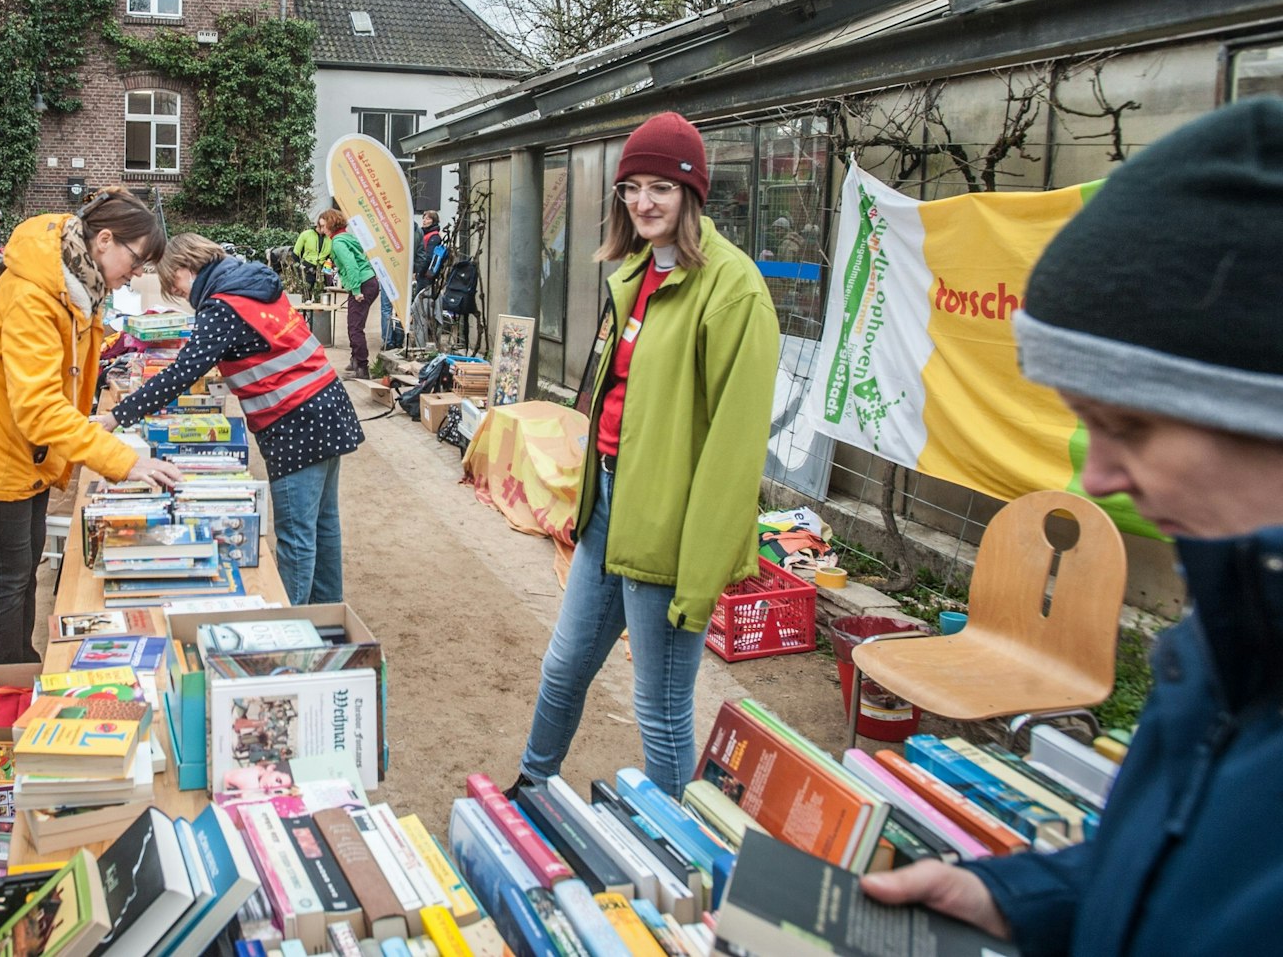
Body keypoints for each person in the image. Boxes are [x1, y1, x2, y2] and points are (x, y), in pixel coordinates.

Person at [860, 99, 1283, 955]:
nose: (1098, 478)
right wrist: (1017, 897)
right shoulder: (1232, 636)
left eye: (1130, 426)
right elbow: (1175, 872)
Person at [515, 111, 779, 796]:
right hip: (609, 508)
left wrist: (700, 574)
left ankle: (672, 838)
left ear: (692, 193)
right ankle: (533, 787)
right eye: (631, 188)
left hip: (667, 528)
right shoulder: (636, 274)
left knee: (659, 707)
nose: (643, 202)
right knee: (564, 666)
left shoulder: (733, 288)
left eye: (661, 187)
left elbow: (734, 449)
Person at [0, 186, 179, 663]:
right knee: (8, 575)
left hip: (26, 444)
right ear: (104, 240)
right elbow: (38, 407)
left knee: (25, 565)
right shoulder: (35, 294)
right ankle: (9, 678)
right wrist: (121, 461)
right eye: (136, 262)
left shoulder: (76, 279)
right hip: (0, 442)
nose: (135, 275)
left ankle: (23, 662)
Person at [98, 234, 364, 605]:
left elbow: (181, 374)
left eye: (175, 284)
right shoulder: (251, 281)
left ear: (187, 267)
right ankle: (328, 614)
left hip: (295, 422)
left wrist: (118, 416)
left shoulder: (223, 307)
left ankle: (293, 623)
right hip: (327, 406)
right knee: (323, 523)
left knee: (296, 535)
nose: (181, 294)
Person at [321, 207, 377, 378]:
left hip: (362, 285)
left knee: (355, 328)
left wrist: (356, 290)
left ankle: (362, 368)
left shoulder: (338, 242)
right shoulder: (347, 236)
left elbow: (351, 265)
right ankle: (355, 360)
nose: (321, 230)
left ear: (331, 224)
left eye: (323, 226)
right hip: (368, 281)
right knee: (353, 324)